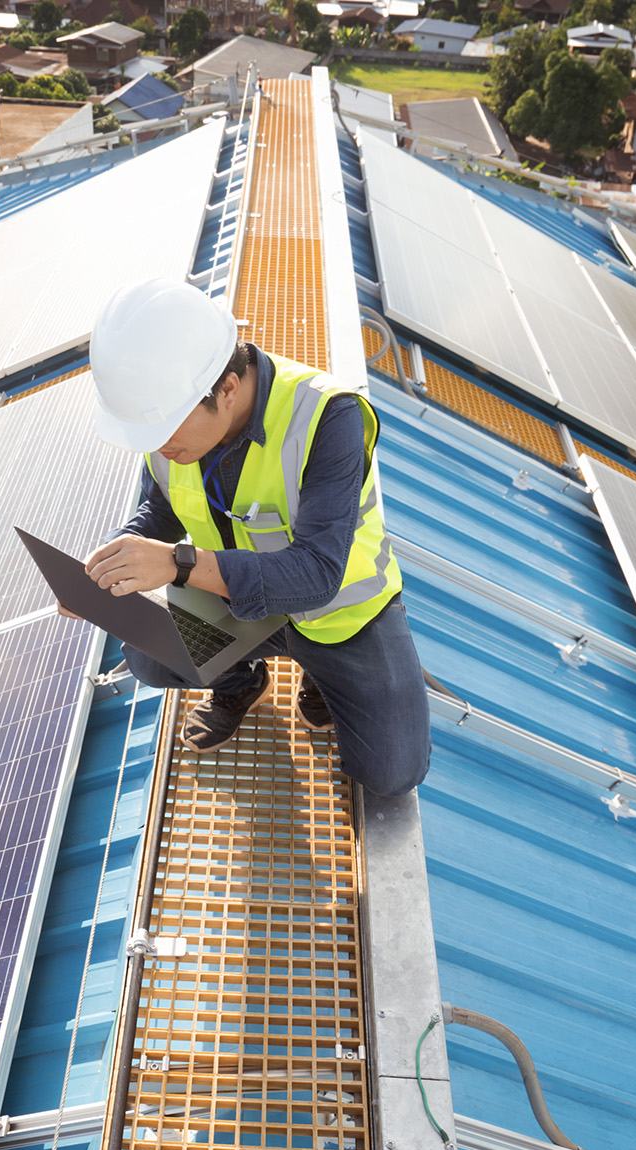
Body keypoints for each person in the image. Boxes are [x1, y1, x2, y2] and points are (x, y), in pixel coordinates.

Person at [72, 276, 430, 799]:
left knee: (392, 773)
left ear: (227, 390)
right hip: (241, 600)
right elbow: (162, 507)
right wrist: (114, 556)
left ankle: (323, 675)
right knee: (147, 653)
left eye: (166, 431)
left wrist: (178, 564)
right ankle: (241, 683)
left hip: (340, 615)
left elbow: (318, 576)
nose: (158, 446)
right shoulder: (170, 428)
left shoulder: (329, 417)